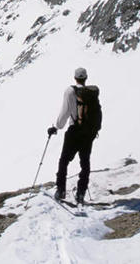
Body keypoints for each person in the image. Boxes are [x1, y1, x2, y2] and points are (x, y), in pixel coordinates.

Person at [47, 67, 100, 204]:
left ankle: (61, 190)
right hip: (88, 132)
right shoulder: (90, 93)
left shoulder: (70, 91)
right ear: (85, 78)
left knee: (64, 160)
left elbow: (65, 113)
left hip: (74, 131)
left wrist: (56, 127)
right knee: (85, 162)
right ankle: (81, 193)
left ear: (75, 78)